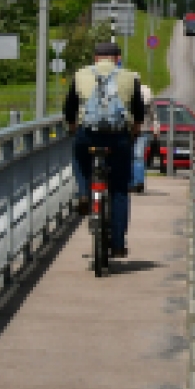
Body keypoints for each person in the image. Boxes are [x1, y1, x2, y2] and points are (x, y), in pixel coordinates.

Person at [64, 41, 145, 259]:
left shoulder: (80, 75)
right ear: (117, 58)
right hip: (118, 137)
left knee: (80, 159)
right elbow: (138, 110)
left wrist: (73, 127)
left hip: (88, 134)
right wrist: (135, 130)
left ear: (95, 58)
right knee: (119, 188)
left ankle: (83, 193)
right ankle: (118, 243)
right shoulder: (130, 77)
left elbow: (69, 107)